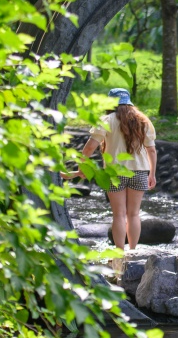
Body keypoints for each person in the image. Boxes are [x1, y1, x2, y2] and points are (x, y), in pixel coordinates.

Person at [66, 88, 157, 250]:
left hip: (114, 172)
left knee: (119, 215)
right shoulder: (143, 120)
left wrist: (81, 167)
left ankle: (119, 253)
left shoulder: (106, 120)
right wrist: (152, 173)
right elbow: (151, 149)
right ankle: (133, 251)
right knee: (134, 214)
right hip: (140, 171)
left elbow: (89, 148)